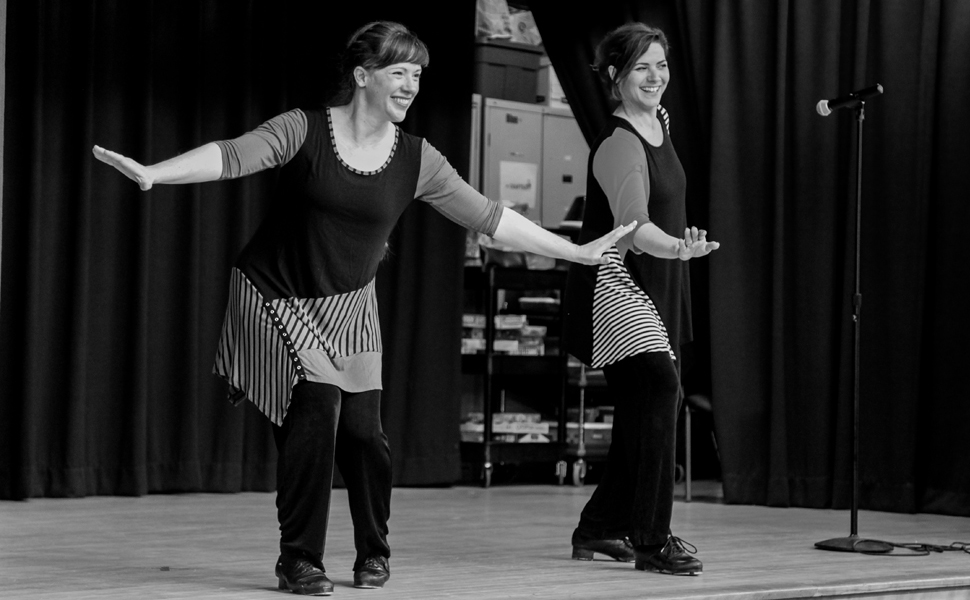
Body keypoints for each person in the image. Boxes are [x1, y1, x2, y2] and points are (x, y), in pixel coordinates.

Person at [93, 21, 633, 596]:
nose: (410, 85)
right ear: (362, 76)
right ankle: (298, 558)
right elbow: (231, 156)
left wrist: (575, 250)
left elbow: (491, 218)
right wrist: (156, 173)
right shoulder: (303, 129)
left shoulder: (417, 158)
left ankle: (373, 550)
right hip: (274, 292)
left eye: (418, 75)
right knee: (314, 407)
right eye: (399, 72)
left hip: (350, 305)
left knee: (363, 436)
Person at [563, 22, 719, 576]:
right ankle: (652, 541)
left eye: (661, 65)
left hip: (657, 285)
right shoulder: (619, 142)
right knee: (659, 390)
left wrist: (676, 254)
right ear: (614, 77)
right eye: (641, 68)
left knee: (645, 413)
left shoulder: (661, 123)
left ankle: (598, 529)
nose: (656, 77)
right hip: (617, 285)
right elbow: (634, 228)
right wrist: (678, 248)